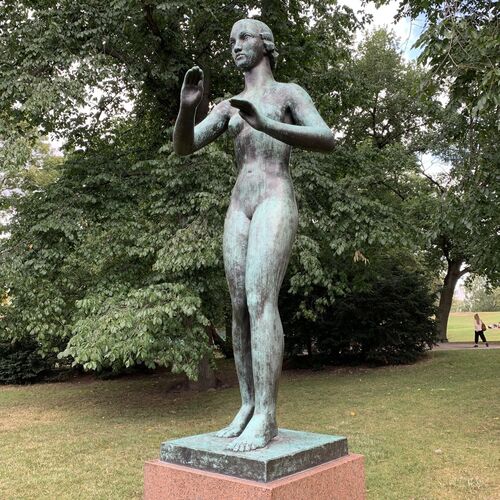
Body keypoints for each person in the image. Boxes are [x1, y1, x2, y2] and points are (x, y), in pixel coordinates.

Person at [173, 18, 335, 451]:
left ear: (265, 43)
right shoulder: (229, 106)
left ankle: (266, 413)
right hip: (239, 204)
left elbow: (325, 137)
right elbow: (184, 146)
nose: (235, 45)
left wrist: (266, 123)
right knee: (238, 306)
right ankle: (247, 405)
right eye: (231, 40)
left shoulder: (288, 93)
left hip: (275, 197)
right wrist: (187, 108)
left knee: (261, 297)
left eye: (243, 37)